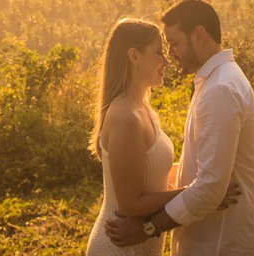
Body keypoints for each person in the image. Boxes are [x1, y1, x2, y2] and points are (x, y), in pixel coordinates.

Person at [106, 0, 254, 255]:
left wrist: (148, 227)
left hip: (217, 243)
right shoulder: (214, 82)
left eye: (175, 43)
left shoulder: (221, 89)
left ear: (199, 35)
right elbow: (203, 172)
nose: (170, 54)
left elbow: (210, 189)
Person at [86, 18, 213, 255]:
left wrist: (210, 177)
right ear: (134, 56)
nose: (166, 61)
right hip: (119, 248)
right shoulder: (126, 118)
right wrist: (201, 194)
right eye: (158, 52)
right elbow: (131, 203)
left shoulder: (142, 108)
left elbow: (155, 173)